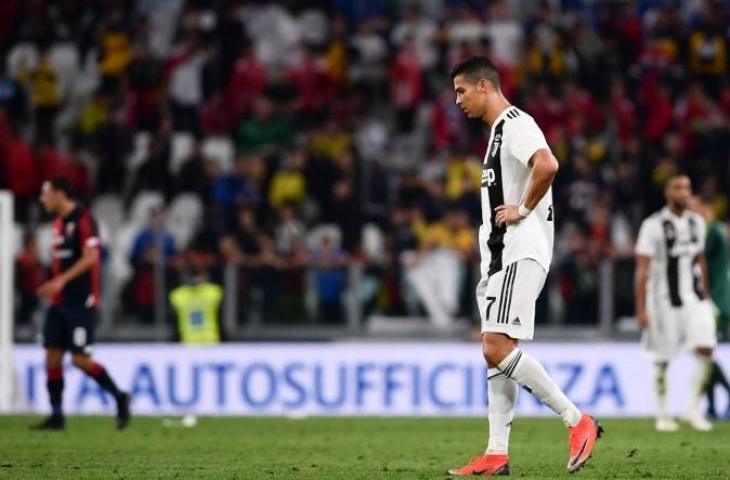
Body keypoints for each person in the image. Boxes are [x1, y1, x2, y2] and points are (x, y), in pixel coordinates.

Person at [447, 57, 601, 477]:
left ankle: (577, 421)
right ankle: (496, 453)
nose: (457, 100)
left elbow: (547, 164)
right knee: (495, 355)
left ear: (483, 86)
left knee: (495, 346)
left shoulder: (515, 122)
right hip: (500, 255)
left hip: (519, 250)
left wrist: (522, 208)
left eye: (462, 90)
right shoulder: (497, 134)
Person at [32, 177, 131, 431]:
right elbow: (61, 264)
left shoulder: (84, 219)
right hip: (59, 301)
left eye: (46, 193)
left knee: (79, 360)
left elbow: (91, 258)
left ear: (60, 193)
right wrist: (52, 284)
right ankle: (57, 416)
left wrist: (60, 282)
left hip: (80, 302)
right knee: (52, 357)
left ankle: (119, 397)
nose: (42, 199)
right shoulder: (57, 224)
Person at [634, 175, 716, 432]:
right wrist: (641, 307)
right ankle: (663, 414)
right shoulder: (653, 225)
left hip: (695, 298)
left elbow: (699, 259)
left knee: (706, 348)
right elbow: (642, 269)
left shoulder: (697, 222)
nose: (684, 192)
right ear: (667, 193)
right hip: (663, 301)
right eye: (678, 188)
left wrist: (707, 294)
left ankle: (692, 409)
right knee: (662, 358)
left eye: (688, 188)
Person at [689, 195, 730, 419]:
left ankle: (719, 401)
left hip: (715, 301)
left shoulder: (712, 232)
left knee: (703, 351)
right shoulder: (717, 232)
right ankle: (713, 407)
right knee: (705, 352)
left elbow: (698, 258)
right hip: (716, 299)